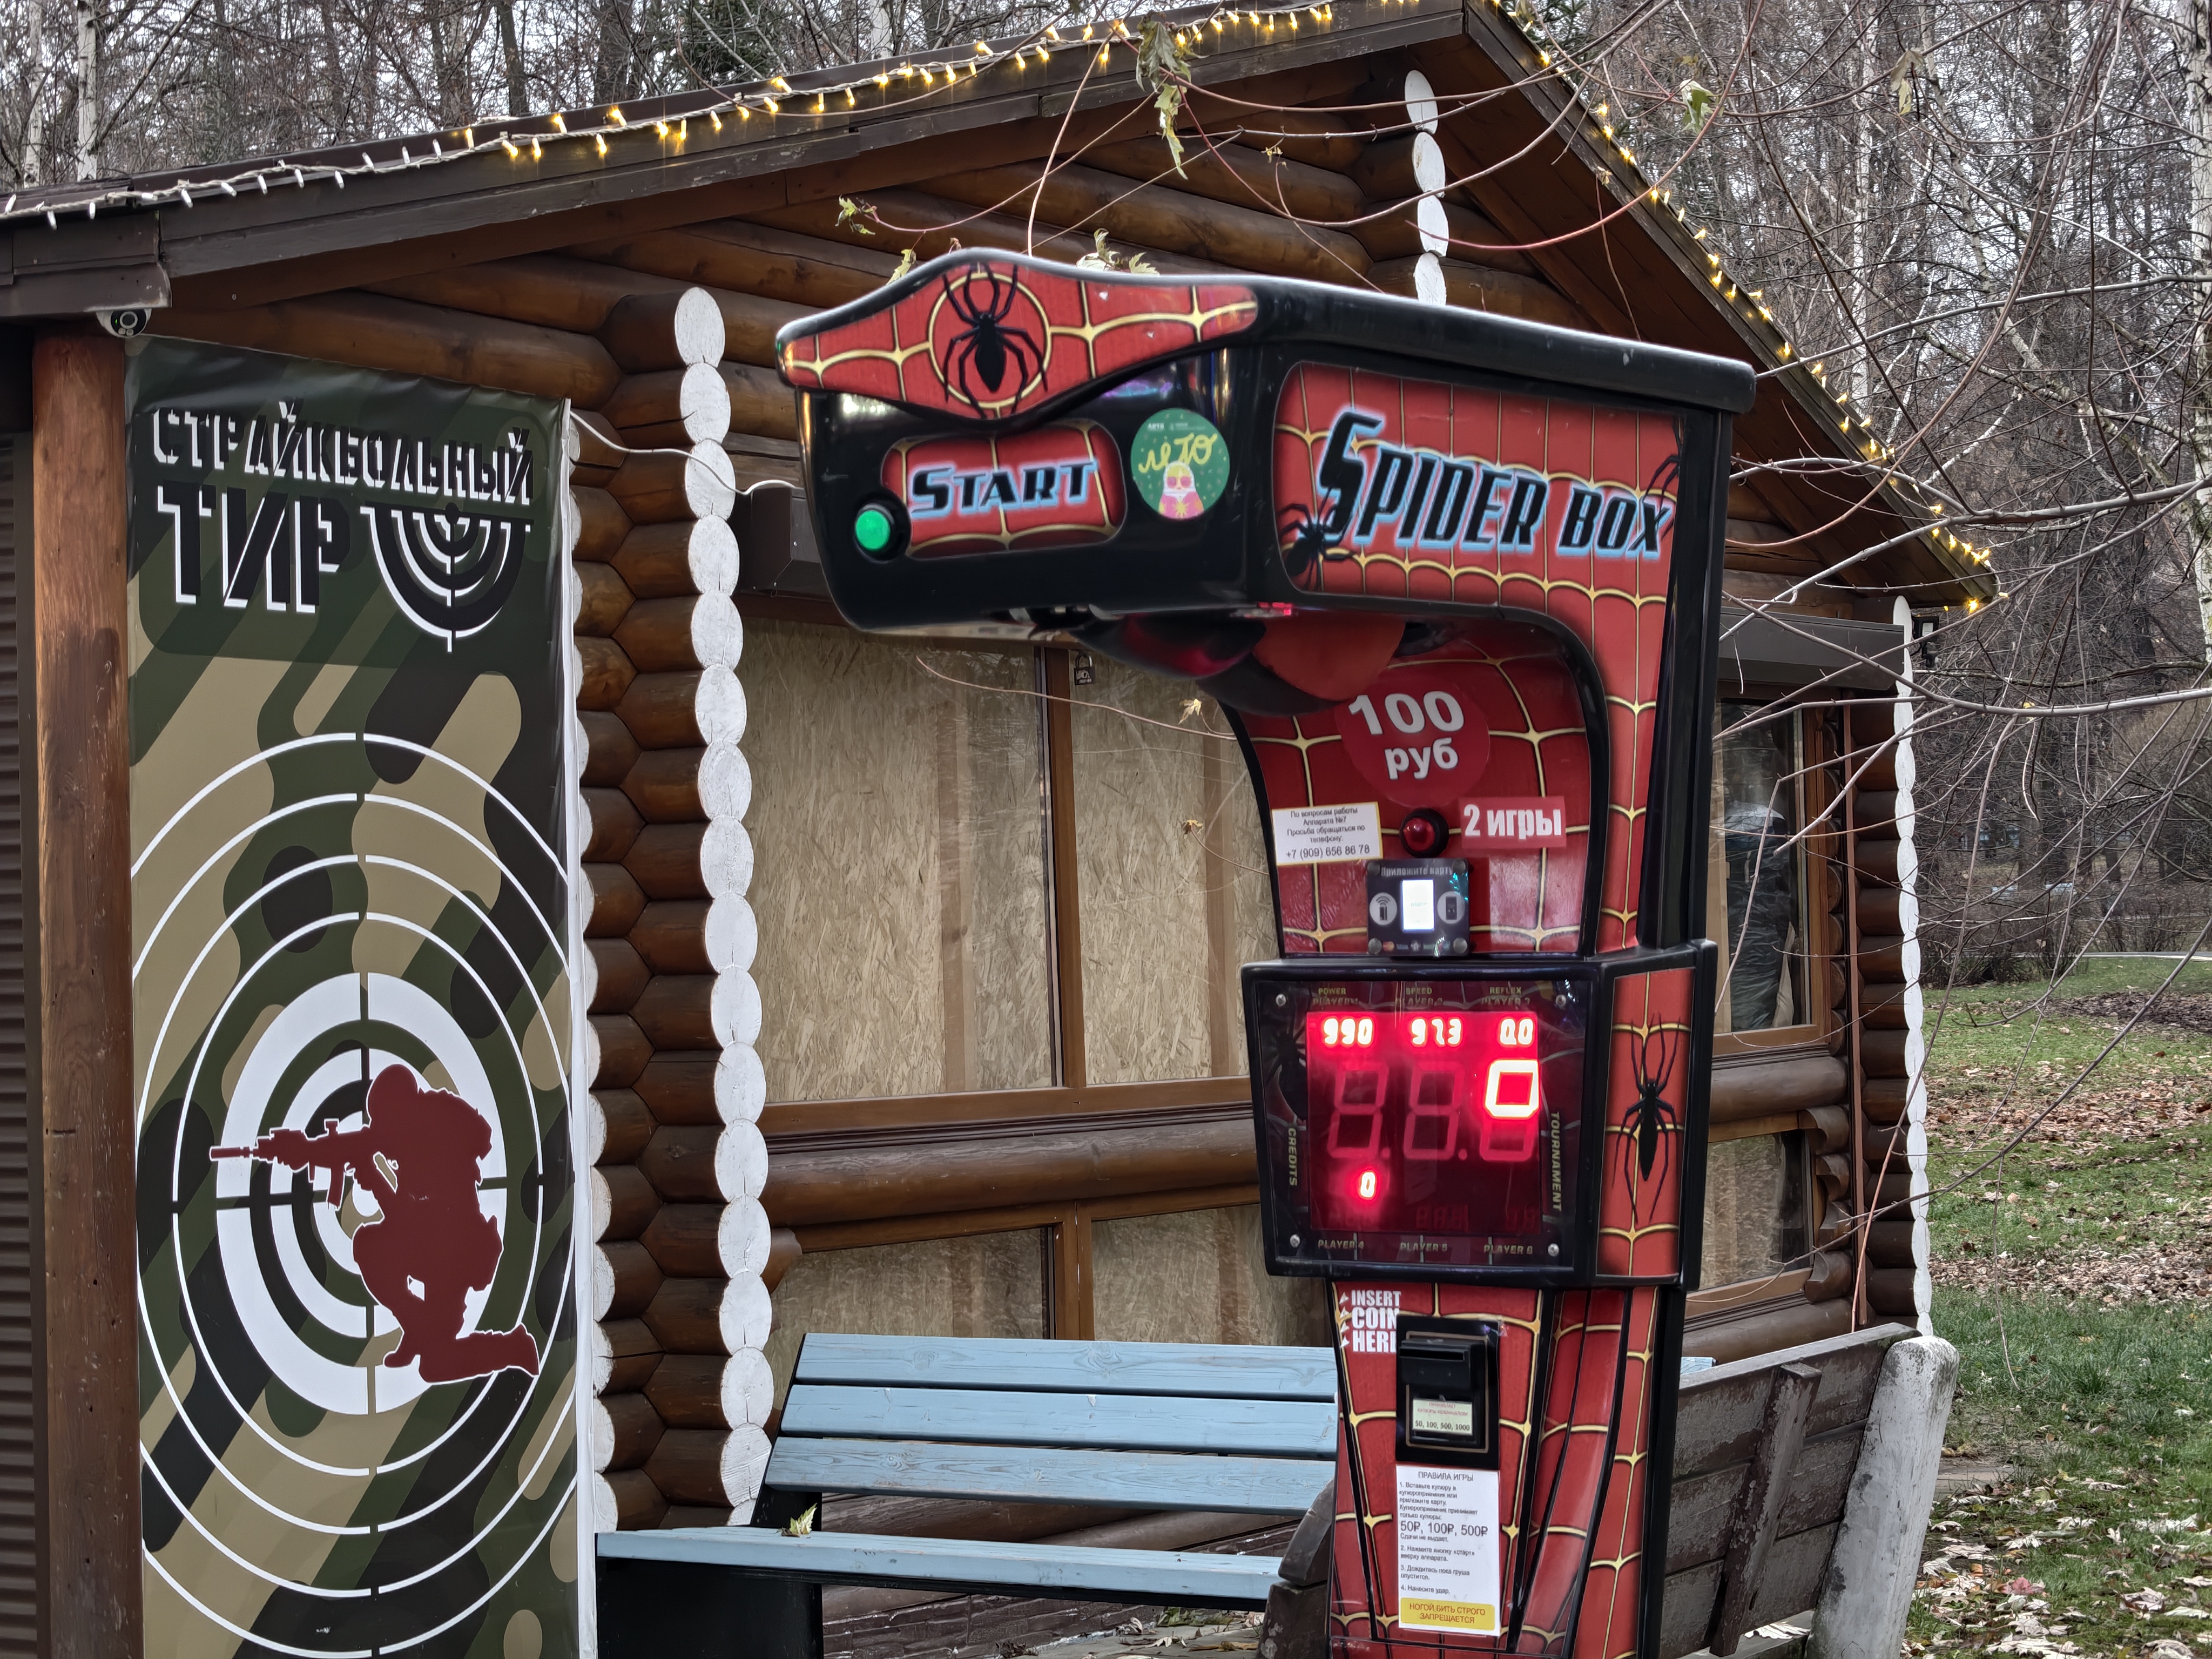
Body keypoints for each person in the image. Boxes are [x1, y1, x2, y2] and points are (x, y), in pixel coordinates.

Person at [217, 1064, 539, 1383]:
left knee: (435, 1365)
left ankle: (510, 1347)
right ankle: (418, 1329)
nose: (380, 1135)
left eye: (384, 1124)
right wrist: (308, 1151)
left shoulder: (436, 1148)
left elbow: (412, 1220)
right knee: (369, 1247)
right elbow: (410, 1219)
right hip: (435, 1250)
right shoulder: (419, 1134)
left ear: (402, 1115)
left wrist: (373, 1177)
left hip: (456, 1258)